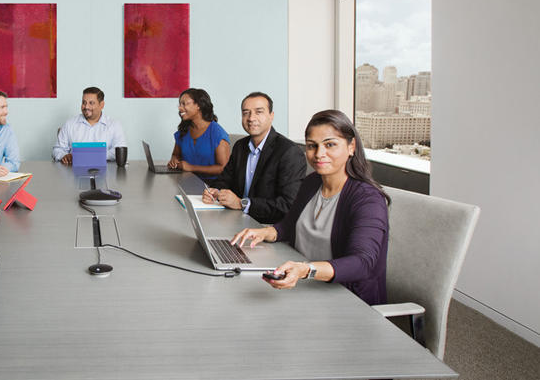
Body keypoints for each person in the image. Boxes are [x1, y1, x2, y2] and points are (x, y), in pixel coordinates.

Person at [230, 110, 390, 305]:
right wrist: (263, 233)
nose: (319, 154)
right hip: (304, 287)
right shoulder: (312, 183)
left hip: (346, 299)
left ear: (351, 147)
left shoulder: (368, 200)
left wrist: (306, 270)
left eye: (330, 144)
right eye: (312, 146)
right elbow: (289, 226)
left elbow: (362, 263)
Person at [202, 92, 306, 224]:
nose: (251, 118)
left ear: (271, 116)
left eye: (259, 112)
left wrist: (242, 203)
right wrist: (214, 192)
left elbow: (287, 205)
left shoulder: (289, 152)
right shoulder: (240, 146)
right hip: (236, 219)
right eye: (246, 113)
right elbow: (224, 180)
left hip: (267, 227)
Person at [52, 86, 127, 164]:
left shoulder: (114, 125)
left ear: (101, 105)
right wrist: (64, 155)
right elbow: (57, 150)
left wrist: (92, 156)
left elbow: (120, 151)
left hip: (107, 173)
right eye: (84, 103)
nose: (86, 107)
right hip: (74, 172)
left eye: (91, 103)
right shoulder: (70, 124)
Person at [167, 88, 230, 178]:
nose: (180, 108)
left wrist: (191, 168)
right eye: (180, 104)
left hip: (211, 187)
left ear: (199, 105)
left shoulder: (217, 133)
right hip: (186, 181)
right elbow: (176, 154)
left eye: (184, 104)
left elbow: (223, 168)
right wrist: (174, 159)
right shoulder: (184, 130)